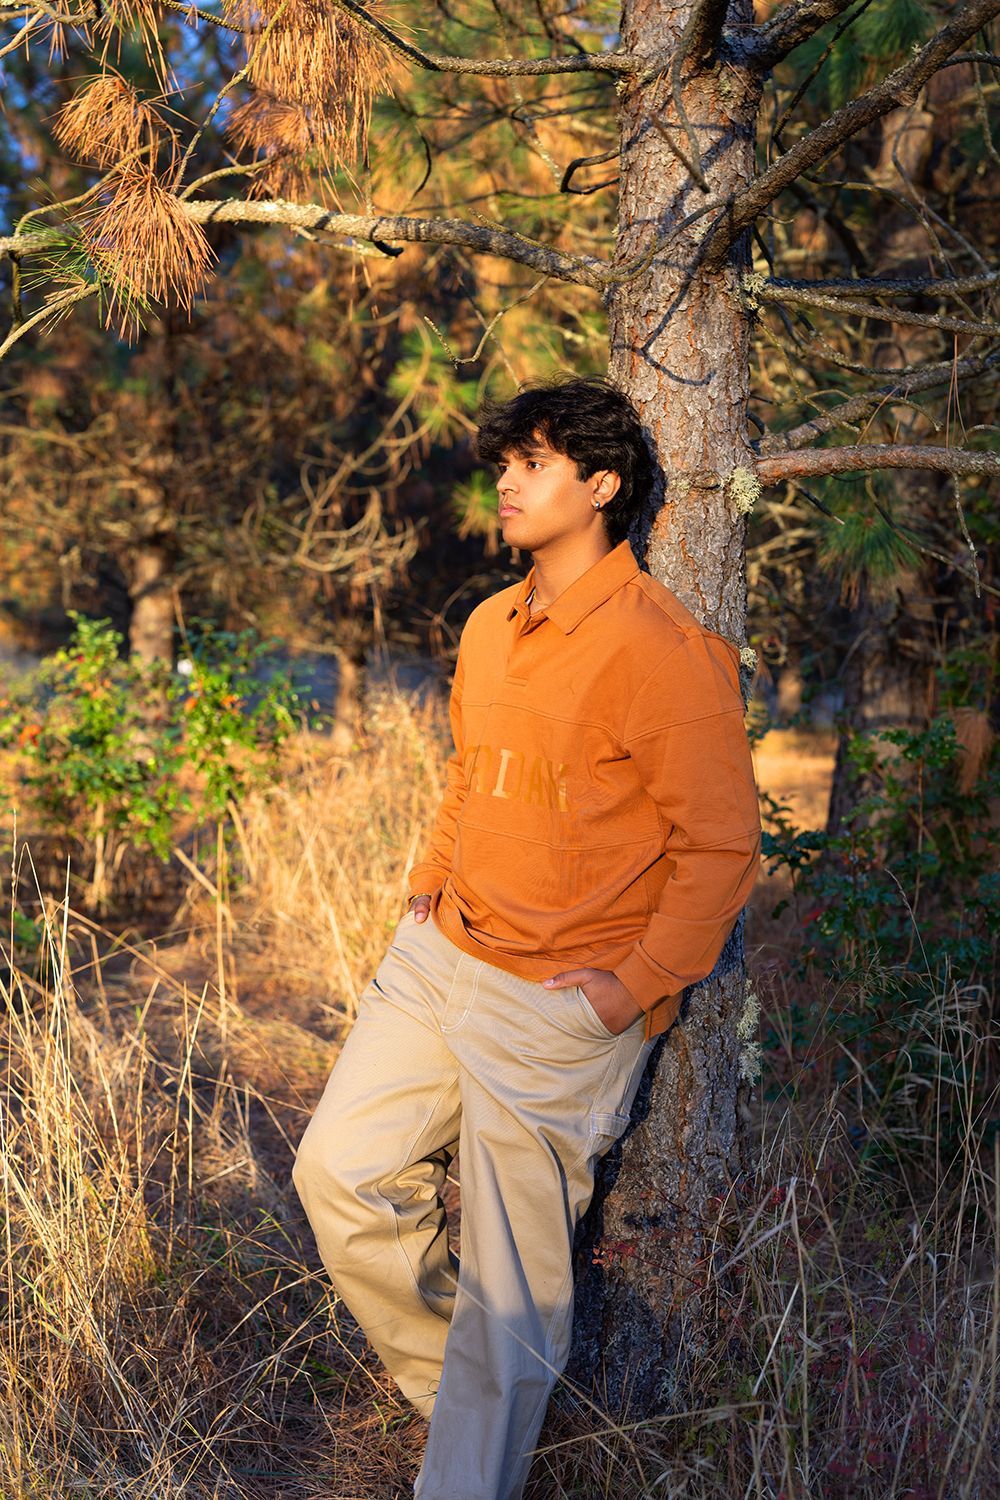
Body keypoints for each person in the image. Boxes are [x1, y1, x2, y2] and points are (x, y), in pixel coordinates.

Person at [292, 374, 762, 1500]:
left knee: (513, 1290)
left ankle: (475, 1450)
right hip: (441, 958)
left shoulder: (663, 650)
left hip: (559, 1002)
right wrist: (427, 882)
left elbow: (722, 850)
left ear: (600, 487)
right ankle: (478, 1397)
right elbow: (469, 775)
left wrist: (633, 986)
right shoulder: (491, 626)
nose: (507, 482)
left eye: (535, 465)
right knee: (337, 1175)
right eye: (505, 463)